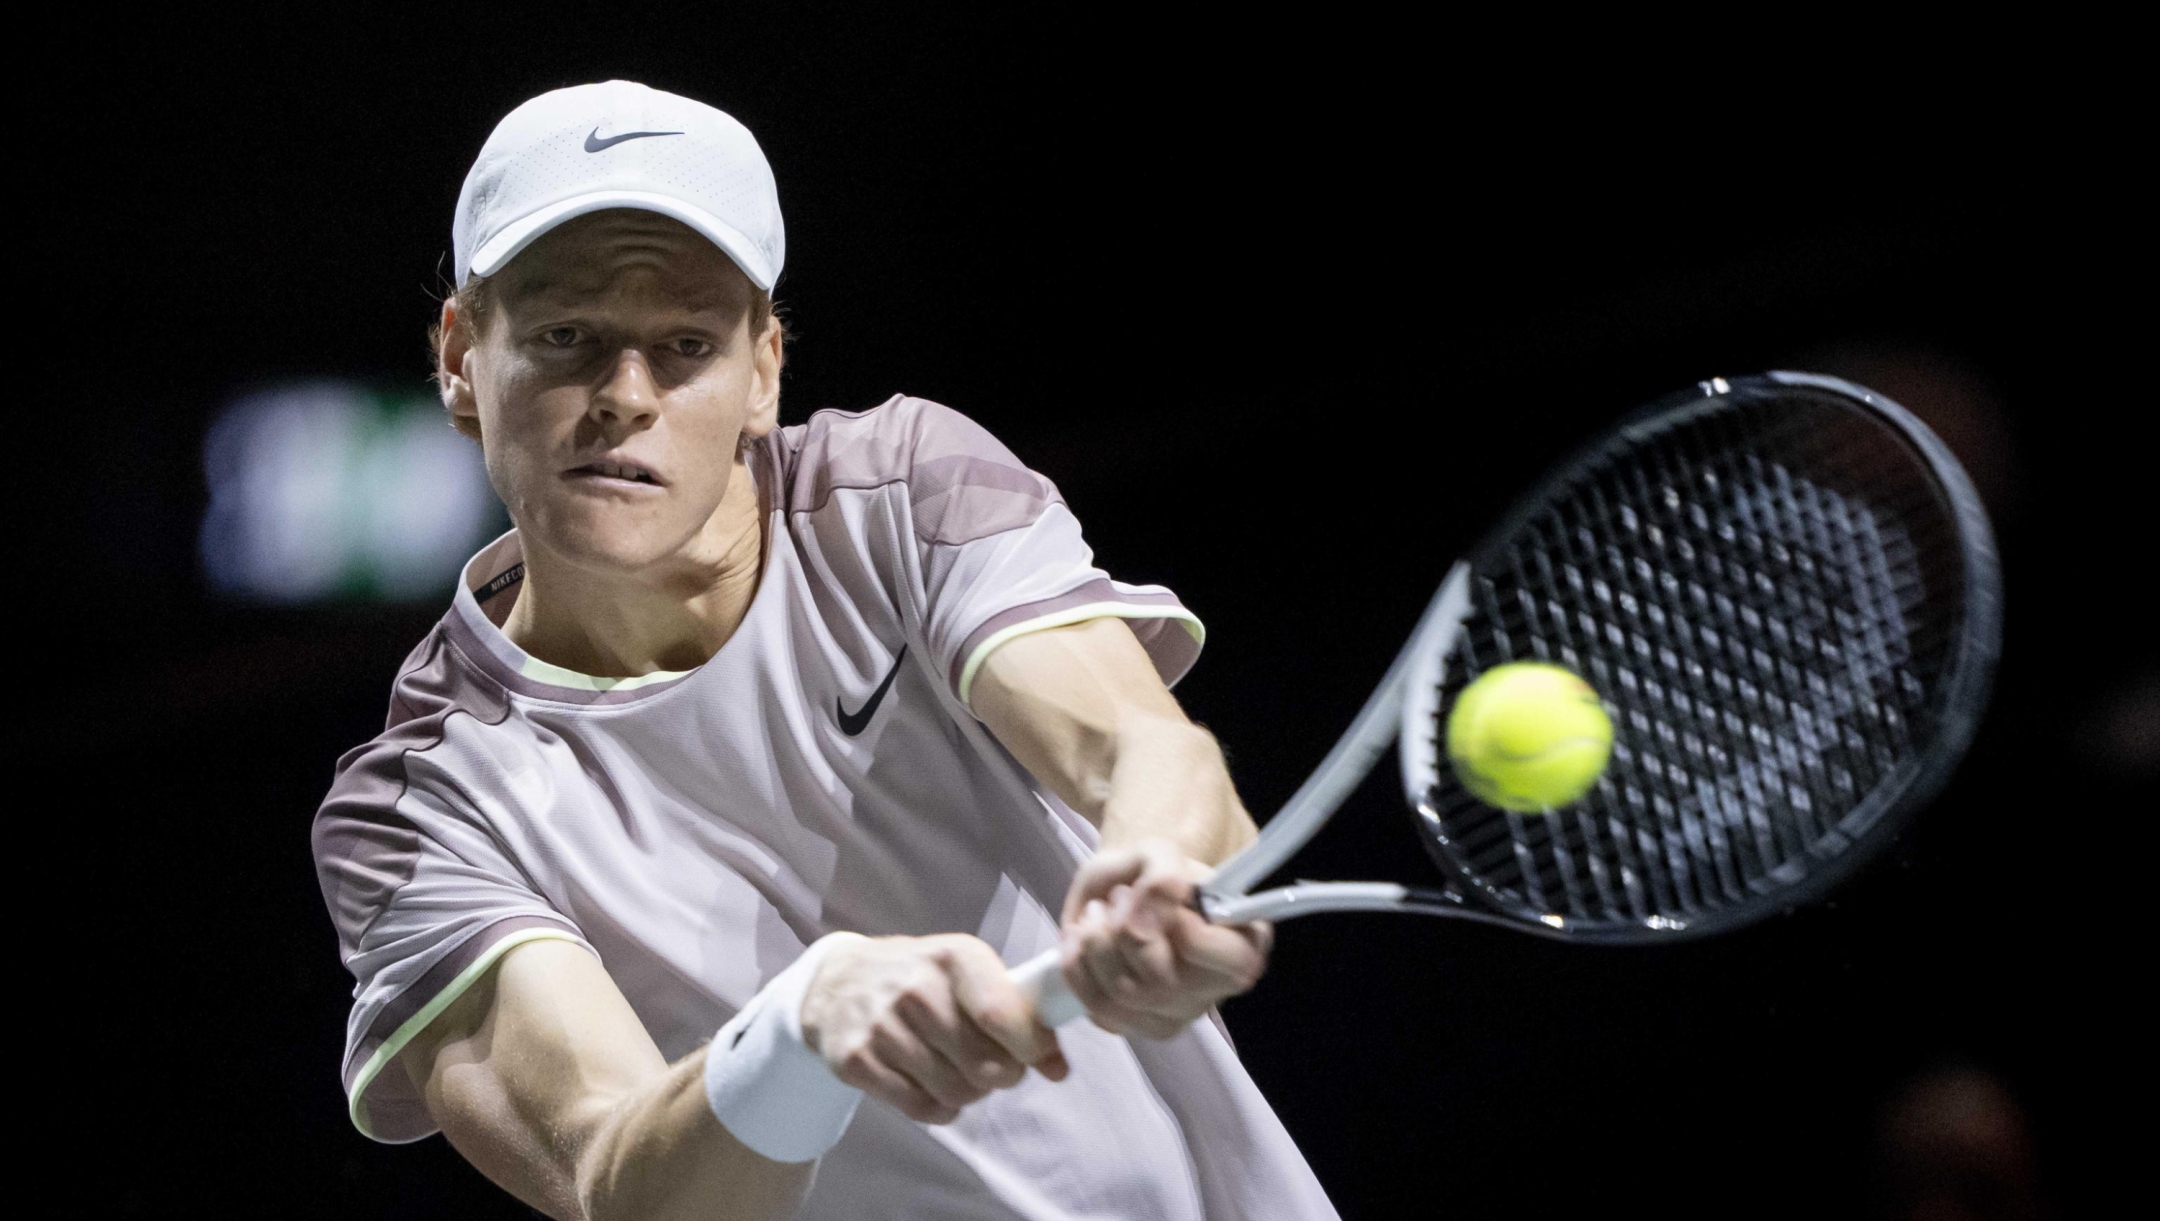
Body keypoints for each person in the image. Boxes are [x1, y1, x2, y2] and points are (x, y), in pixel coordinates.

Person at [312, 80, 1338, 1221]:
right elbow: (619, 1182)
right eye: (566, 337)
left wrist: (1159, 871)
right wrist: (802, 1033)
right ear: (461, 356)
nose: (625, 396)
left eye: (686, 345)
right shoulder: (419, 811)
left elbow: (1142, 752)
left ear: (763, 371)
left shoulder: (901, 494)